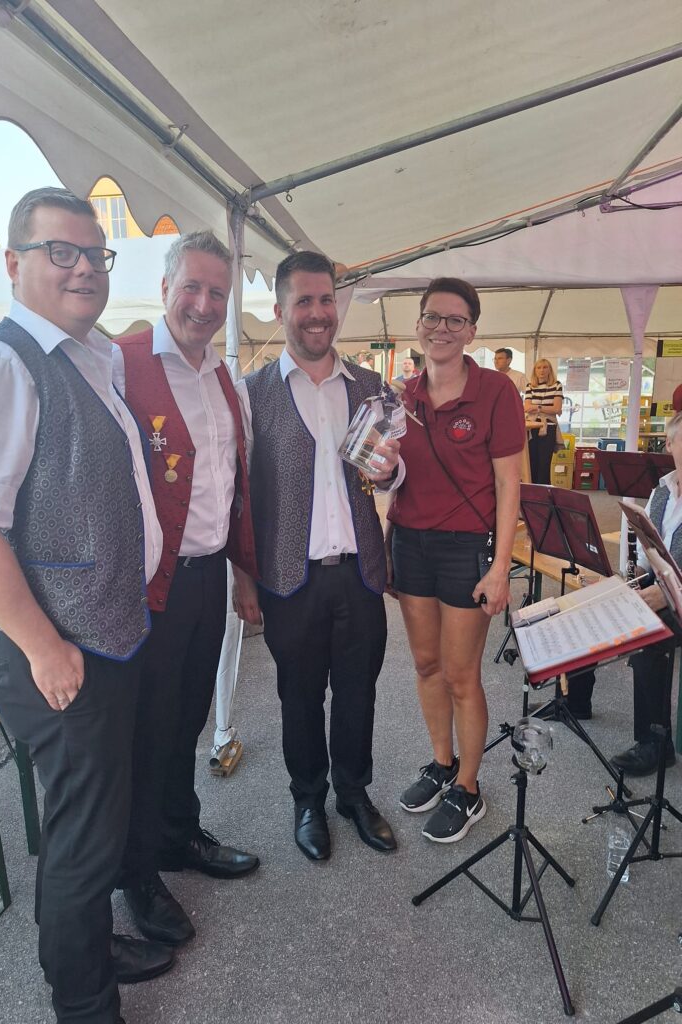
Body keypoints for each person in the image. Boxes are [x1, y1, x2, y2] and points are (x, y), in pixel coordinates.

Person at [0, 187, 170, 1024]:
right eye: (59, 251)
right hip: (58, 650)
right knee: (83, 839)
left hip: (103, 633)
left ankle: (85, 949)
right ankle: (83, 1002)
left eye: (94, 254)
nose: (82, 268)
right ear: (13, 263)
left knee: (91, 825)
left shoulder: (89, 357)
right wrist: (44, 647)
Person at [112, 231, 260, 948]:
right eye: (192, 288)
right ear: (165, 287)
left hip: (207, 578)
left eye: (216, 293)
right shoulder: (121, 361)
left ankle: (177, 835)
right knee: (146, 731)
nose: (203, 304)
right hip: (148, 588)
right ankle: (136, 873)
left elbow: (230, 486)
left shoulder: (223, 376)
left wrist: (243, 573)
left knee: (187, 720)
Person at [232, 251, 400, 862]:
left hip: (359, 573)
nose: (317, 312)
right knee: (298, 697)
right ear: (280, 311)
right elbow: (239, 496)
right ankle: (308, 800)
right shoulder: (251, 394)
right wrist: (243, 578)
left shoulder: (372, 389)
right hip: (289, 579)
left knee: (359, 693)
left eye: (326, 299)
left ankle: (354, 794)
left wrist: (391, 472)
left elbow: (392, 472)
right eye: (303, 301)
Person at [389, 277, 525, 843]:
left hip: (466, 547)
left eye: (454, 320)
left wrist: (501, 566)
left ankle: (468, 788)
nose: (441, 328)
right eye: (432, 317)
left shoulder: (496, 391)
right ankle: (442, 763)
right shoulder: (401, 395)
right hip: (409, 542)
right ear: (418, 324)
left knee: (462, 674)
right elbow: (388, 472)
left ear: (471, 331)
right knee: (426, 665)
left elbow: (509, 483)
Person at [609, 411, 682, 776]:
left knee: (648, 636)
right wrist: (633, 579)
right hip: (661, 587)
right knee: (600, 606)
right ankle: (576, 701)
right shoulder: (662, 490)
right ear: (671, 445)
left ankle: (655, 743)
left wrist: (664, 597)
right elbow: (648, 553)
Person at [524, 358, 563, 484]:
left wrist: (537, 407)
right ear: (535, 370)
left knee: (544, 463)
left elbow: (556, 409)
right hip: (532, 427)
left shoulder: (557, 385)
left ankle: (543, 491)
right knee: (532, 462)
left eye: (545, 367)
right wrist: (545, 408)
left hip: (549, 427)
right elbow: (526, 407)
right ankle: (532, 490)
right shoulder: (530, 386)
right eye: (539, 368)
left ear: (550, 370)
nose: (542, 370)